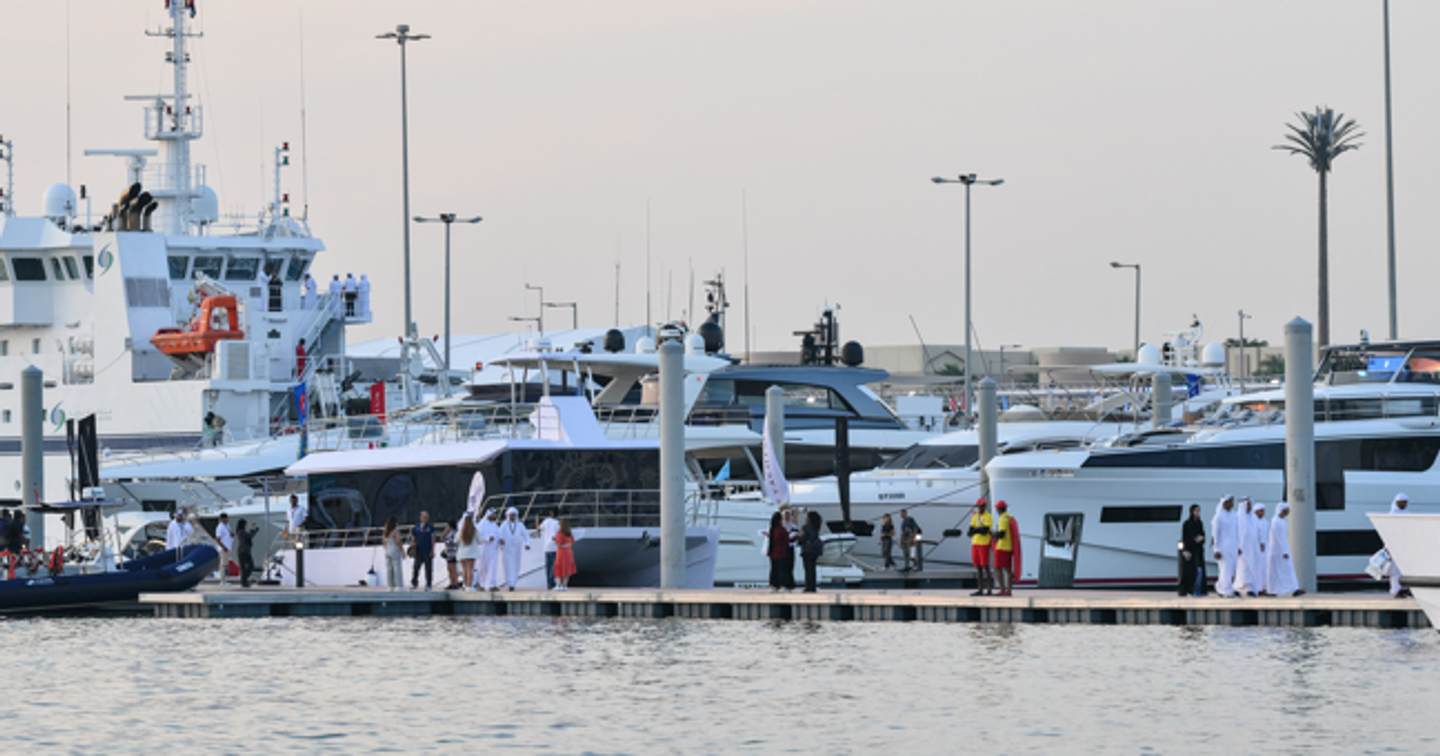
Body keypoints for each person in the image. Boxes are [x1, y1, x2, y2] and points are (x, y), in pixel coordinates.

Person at [1266, 502, 1300, 597]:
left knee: (1288, 569)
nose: (1288, 512)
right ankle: (1272, 590)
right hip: (1277, 551)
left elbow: (1284, 538)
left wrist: (1285, 550)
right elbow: (1279, 538)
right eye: (1287, 510)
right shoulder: (1275, 521)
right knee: (1275, 572)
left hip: (1283, 550)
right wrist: (1284, 551)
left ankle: (1293, 589)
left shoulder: (1283, 521)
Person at [1210, 496, 1240, 598]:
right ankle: (1225, 590)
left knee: (1231, 569)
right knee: (1225, 569)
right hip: (1223, 547)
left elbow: (1237, 532)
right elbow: (1215, 535)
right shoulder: (1218, 517)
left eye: (1232, 502)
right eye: (1229, 502)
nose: (1231, 504)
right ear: (1224, 504)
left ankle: (1223, 587)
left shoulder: (1234, 515)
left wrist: (1239, 546)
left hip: (1233, 546)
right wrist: (1216, 549)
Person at [993, 501, 1022, 596]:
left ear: (1000, 509)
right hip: (1009, 547)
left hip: (1002, 547)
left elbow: (1002, 534)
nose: (996, 510)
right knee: (1008, 569)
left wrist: (993, 534)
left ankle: (1002, 589)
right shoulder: (1009, 517)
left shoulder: (1002, 519)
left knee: (998, 569)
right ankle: (1008, 590)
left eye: (997, 508)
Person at [498, 507, 531, 591]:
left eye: (514, 515)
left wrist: (527, 544)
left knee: (516, 565)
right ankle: (509, 583)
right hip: (506, 549)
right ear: (508, 515)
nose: (512, 516)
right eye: (511, 515)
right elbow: (499, 535)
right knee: (507, 566)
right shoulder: (504, 524)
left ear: (516, 515)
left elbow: (526, 535)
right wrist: (501, 541)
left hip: (517, 549)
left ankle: (513, 583)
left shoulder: (520, 525)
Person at [1235, 498, 1262, 597]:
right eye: (1248, 505)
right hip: (1242, 549)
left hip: (1252, 548)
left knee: (1252, 568)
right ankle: (1242, 588)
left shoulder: (1252, 517)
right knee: (1243, 568)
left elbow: (1256, 532)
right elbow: (1235, 533)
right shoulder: (1238, 517)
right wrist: (1237, 546)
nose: (1250, 507)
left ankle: (1251, 588)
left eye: (1250, 505)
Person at [1178, 504, 1207, 596]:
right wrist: (1185, 550)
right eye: (1196, 511)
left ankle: (1198, 590)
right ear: (1192, 512)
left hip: (1198, 550)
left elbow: (1203, 534)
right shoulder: (1186, 523)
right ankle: (1187, 590)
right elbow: (1185, 537)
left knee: (1199, 570)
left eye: (1199, 511)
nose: (1198, 513)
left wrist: (1201, 539)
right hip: (1190, 550)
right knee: (1188, 572)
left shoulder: (1200, 522)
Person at [968, 498, 994, 596]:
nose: (981, 507)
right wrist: (978, 529)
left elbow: (985, 531)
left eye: (982, 506)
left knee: (985, 566)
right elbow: (970, 530)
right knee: (978, 567)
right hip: (975, 543)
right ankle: (980, 589)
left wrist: (976, 530)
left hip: (984, 544)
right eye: (980, 506)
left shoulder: (988, 516)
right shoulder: (975, 516)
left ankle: (989, 589)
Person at [1387, 493, 1411, 598]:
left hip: (1405, 546)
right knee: (1395, 571)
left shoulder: (1407, 514)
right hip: (1394, 547)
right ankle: (1395, 590)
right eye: (1401, 502)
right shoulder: (1391, 515)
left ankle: (1405, 589)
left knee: (1406, 569)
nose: (1403, 504)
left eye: (1405, 502)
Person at [410, 510, 435, 590]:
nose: (425, 518)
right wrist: (413, 547)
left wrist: (432, 550)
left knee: (428, 568)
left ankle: (428, 584)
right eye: (424, 517)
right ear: (420, 517)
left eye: (426, 517)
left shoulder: (431, 527)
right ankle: (414, 583)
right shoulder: (416, 527)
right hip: (418, 550)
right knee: (416, 567)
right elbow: (413, 538)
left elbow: (433, 539)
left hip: (427, 550)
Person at [800, 511, 824, 593]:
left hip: (807, 550)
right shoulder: (816, 527)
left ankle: (808, 587)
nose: (805, 518)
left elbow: (802, 539)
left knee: (807, 569)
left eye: (806, 517)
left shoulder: (805, 527)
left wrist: (798, 538)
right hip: (815, 551)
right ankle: (812, 587)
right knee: (812, 569)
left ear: (809, 519)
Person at [766, 512, 791, 592]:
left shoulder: (772, 529)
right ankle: (782, 585)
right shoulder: (781, 529)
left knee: (773, 570)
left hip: (772, 552)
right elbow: (786, 540)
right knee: (782, 570)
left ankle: (773, 585)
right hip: (781, 553)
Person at [457, 512, 481, 591]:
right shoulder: (474, 530)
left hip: (462, 553)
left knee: (464, 570)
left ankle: (465, 585)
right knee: (470, 569)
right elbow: (480, 540)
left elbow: (455, 540)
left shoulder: (461, 530)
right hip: (472, 553)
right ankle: (469, 586)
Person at [478, 508, 501, 591]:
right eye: (494, 514)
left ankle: (492, 585)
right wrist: (487, 538)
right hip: (484, 550)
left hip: (493, 550)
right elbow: (478, 538)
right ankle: (481, 584)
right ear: (489, 515)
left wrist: (500, 540)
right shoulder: (481, 524)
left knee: (493, 567)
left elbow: (498, 535)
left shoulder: (495, 525)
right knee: (482, 568)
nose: (496, 516)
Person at [552, 519, 577, 591]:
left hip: (561, 552)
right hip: (569, 552)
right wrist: (567, 545)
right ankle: (565, 585)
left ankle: (558, 585)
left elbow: (558, 544)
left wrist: (554, 540)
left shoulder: (559, 533)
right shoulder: (569, 533)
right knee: (567, 568)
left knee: (558, 568)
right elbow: (572, 542)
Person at [539, 510, 561, 590]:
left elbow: (539, 528)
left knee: (548, 566)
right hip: (554, 547)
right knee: (553, 566)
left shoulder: (545, 521)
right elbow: (559, 533)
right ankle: (552, 583)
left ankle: (549, 583)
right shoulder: (557, 523)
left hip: (546, 547)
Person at [1251, 502, 1269, 595]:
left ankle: (1264, 588)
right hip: (1256, 549)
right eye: (1261, 511)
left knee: (1264, 569)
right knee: (1257, 569)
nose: (1262, 513)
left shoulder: (1265, 522)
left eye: (1263, 511)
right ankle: (1257, 588)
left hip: (1265, 550)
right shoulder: (1253, 522)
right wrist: (1260, 544)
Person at [382, 516, 404, 591]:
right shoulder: (395, 531)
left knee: (389, 570)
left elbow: (383, 542)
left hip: (387, 551)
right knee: (397, 569)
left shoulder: (386, 531)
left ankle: (390, 586)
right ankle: (399, 586)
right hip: (395, 551)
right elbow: (398, 542)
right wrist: (403, 551)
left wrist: (386, 549)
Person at [236, 518, 258, 588]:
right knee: (250, 566)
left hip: (243, 551)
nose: (246, 525)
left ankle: (244, 582)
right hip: (244, 551)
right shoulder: (241, 532)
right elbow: (249, 536)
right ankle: (244, 581)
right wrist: (254, 530)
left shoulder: (241, 531)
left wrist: (253, 530)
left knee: (245, 568)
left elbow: (249, 536)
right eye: (245, 524)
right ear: (243, 524)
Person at [215, 512, 235, 585]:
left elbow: (230, 534)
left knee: (225, 564)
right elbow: (217, 539)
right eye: (226, 518)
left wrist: (232, 535)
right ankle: (222, 581)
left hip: (228, 547)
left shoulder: (227, 525)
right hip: (223, 549)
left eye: (227, 518)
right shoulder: (220, 527)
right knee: (223, 564)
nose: (227, 520)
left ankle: (224, 580)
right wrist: (224, 547)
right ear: (222, 519)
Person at [443, 520, 461, 590]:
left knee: (453, 569)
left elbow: (453, 541)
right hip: (449, 553)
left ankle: (455, 583)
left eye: (447, 526)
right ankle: (452, 583)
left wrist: (446, 539)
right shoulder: (449, 533)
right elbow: (443, 538)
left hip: (454, 553)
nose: (446, 527)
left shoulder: (455, 533)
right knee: (450, 569)